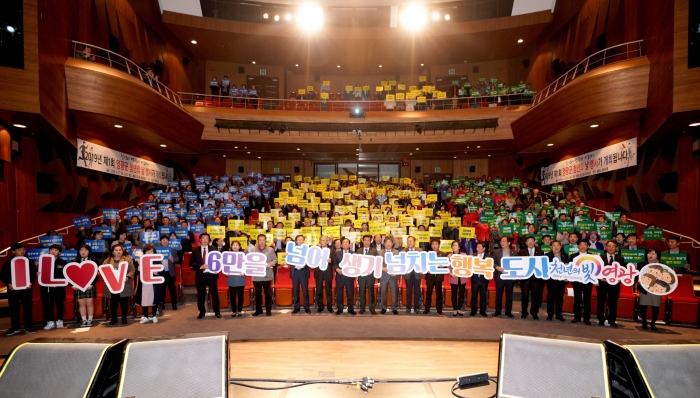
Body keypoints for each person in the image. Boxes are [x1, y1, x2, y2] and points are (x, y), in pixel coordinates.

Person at [1, 243, 38, 335]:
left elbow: (33, 273)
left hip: (26, 289)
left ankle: (28, 327)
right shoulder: (8, 262)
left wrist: (30, 282)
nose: (22, 251)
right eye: (19, 250)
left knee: (27, 308)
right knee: (14, 309)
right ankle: (15, 327)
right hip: (13, 289)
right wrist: (8, 283)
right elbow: (2, 275)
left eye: (23, 249)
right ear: (13, 252)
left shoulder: (29, 261)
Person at [189, 233, 221, 319]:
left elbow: (219, 261)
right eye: (203, 238)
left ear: (209, 240)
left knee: (214, 294)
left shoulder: (214, 249)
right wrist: (200, 266)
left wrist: (216, 270)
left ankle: (217, 312)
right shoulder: (195, 250)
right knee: (200, 295)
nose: (205, 240)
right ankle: (201, 312)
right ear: (200, 240)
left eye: (207, 238)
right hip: (200, 276)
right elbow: (191, 263)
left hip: (211, 276)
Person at [103, 243, 135, 325]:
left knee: (124, 302)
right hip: (112, 286)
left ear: (122, 251)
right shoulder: (107, 260)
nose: (118, 252)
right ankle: (114, 318)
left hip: (124, 285)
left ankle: (124, 317)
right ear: (113, 252)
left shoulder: (127, 259)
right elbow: (103, 271)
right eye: (116, 250)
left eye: (120, 250)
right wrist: (106, 279)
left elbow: (132, 270)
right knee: (113, 303)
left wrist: (127, 277)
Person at [598, 240, 624, 327]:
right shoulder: (600, 257)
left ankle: (612, 320)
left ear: (616, 248)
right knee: (601, 301)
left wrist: (619, 279)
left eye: (613, 246)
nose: (611, 248)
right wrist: (600, 278)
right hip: (602, 283)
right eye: (609, 246)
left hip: (615, 285)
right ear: (605, 247)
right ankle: (601, 319)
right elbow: (596, 270)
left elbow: (623, 272)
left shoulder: (620, 259)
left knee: (613, 302)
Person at [517, 236, 544, 319]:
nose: (530, 242)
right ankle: (524, 312)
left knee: (535, 296)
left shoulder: (540, 252)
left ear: (534, 242)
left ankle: (534, 312)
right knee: (524, 296)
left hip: (536, 278)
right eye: (528, 241)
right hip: (525, 278)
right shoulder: (522, 252)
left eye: (532, 241)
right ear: (526, 243)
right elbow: (519, 264)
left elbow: (542, 265)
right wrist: (519, 275)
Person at [41, 244, 67, 330]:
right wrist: (38, 274)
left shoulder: (62, 263)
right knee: (48, 305)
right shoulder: (43, 262)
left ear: (59, 253)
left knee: (60, 304)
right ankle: (50, 321)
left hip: (59, 288)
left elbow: (65, 276)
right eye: (51, 250)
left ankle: (60, 320)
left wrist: (58, 284)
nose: (53, 252)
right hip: (47, 288)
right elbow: (41, 275)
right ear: (49, 251)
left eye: (56, 250)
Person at [135, 245, 163, 323]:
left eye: (151, 251)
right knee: (144, 299)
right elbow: (138, 271)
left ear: (154, 252)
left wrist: (157, 272)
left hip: (154, 282)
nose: (149, 253)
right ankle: (146, 316)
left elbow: (161, 270)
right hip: (144, 282)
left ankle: (154, 316)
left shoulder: (157, 260)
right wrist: (139, 263)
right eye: (147, 251)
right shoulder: (141, 260)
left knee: (154, 298)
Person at [250, 234, 276, 316]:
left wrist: (270, 263)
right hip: (256, 276)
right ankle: (259, 310)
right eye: (260, 240)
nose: (261, 241)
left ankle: (268, 310)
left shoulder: (270, 249)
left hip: (266, 275)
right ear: (258, 241)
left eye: (263, 240)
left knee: (267, 294)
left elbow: (275, 259)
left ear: (265, 241)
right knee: (258, 294)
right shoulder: (254, 250)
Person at [73, 244, 97, 326]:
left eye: (85, 250)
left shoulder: (94, 261)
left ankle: (90, 319)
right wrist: (72, 285)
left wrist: (92, 284)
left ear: (89, 251)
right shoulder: (75, 262)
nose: (83, 252)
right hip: (78, 286)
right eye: (81, 250)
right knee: (81, 303)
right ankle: (83, 320)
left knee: (89, 303)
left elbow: (95, 275)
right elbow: (71, 275)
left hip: (89, 285)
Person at [638, 248, 662, 331]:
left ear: (657, 256)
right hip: (644, 288)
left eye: (653, 253)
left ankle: (653, 323)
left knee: (655, 306)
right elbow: (637, 275)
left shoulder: (662, 265)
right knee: (643, 306)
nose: (650, 255)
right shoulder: (642, 263)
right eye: (649, 253)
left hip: (657, 289)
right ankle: (644, 321)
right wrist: (638, 279)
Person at [545, 241, 570, 321]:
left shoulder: (565, 255)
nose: (556, 247)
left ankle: (559, 314)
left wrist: (566, 277)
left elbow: (568, 268)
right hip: (551, 281)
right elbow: (545, 269)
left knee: (560, 298)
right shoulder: (547, 256)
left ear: (560, 246)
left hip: (561, 281)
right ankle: (550, 314)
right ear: (551, 247)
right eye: (554, 245)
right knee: (550, 298)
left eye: (558, 245)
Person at [570, 240, 593, 325]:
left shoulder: (592, 256)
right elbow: (570, 268)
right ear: (578, 246)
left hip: (588, 281)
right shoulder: (573, 256)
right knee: (577, 299)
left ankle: (587, 318)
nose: (583, 247)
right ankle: (577, 316)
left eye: (585, 245)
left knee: (587, 300)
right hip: (577, 281)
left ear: (588, 246)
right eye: (581, 245)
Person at [492, 236, 514, 318]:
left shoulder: (514, 253)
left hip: (510, 276)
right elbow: (492, 262)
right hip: (500, 276)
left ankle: (508, 311)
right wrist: (497, 267)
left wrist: (516, 275)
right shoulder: (496, 252)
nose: (502, 243)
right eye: (501, 241)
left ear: (509, 243)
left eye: (504, 241)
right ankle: (498, 311)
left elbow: (518, 264)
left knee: (509, 295)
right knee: (499, 294)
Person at [333, 238, 356, 315]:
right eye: (344, 243)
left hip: (349, 277)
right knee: (339, 293)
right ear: (341, 245)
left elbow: (356, 265)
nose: (345, 244)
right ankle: (340, 309)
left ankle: (351, 309)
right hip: (340, 276)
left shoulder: (354, 254)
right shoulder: (337, 253)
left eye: (347, 243)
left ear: (350, 245)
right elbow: (334, 264)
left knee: (350, 293)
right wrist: (337, 269)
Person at [356, 235, 378, 315]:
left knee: (371, 291)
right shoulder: (358, 251)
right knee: (362, 292)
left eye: (368, 240)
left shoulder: (374, 251)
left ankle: (372, 308)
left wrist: (372, 271)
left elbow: (377, 262)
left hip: (370, 275)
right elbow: (356, 262)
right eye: (365, 240)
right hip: (361, 275)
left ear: (370, 241)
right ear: (363, 241)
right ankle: (362, 308)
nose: (367, 242)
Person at [424, 238, 446, 315]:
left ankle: (439, 309)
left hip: (439, 276)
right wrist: (427, 269)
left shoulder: (443, 254)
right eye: (433, 244)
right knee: (428, 293)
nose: (434, 246)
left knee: (439, 293)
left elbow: (447, 265)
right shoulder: (427, 254)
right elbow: (424, 264)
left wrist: (443, 266)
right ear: (431, 245)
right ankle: (426, 309)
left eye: (436, 244)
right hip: (430, 276)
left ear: (439, 245)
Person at [378, 236, 399, 315]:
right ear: (384, 244)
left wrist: (396, 272)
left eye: (390, 242)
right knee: (383, 292)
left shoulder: (396, 252)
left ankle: (394, 308)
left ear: (392, 244)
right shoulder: (380, 252)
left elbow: (398, 263)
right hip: (383, 275)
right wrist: (381, 268)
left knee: (394, 292)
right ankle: (383, 307)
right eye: (386, 242)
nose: (388, 244)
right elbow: (377, 263)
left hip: (393, 275)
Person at [290, 235, 311, 314]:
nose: (301, 241)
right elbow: (289, 261)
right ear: (296, 241)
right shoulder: (291, 250)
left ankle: (306, 307)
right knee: (295, 290)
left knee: (305, 290)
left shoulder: (307, 250)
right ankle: (296, 307)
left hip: (303, 271)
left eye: (302, 240)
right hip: (295, 272)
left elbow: (310, 260)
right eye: (299, 240)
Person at [158, 235, 179, 310]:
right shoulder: (156, 250)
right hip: (160, 273)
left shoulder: (172, 250)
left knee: (172, 289)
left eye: (166, 240)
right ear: (160, 242)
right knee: (161, 289)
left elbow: (177, 259)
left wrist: (173, 259)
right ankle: (162, 303)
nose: (165, 241)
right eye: (163, 240)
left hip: (170, 272)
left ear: (168, 242)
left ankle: (174, 304)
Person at [226, 240, 247, 317]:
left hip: (240, 277)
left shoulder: (243, 255)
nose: (235, 246)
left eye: (236, 245)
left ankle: (240, 310)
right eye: (233, 245)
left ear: (239, 247)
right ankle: (234, 311)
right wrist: (226, 272)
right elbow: (225, 266)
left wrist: (244, 272)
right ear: (231, 247)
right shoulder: (228, 255)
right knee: (232, 295)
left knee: (241, 295)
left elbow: (246, 265)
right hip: (231, 277)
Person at [403, 236, 423, 314]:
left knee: (417, 292)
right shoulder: (403, 251)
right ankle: (408, 308)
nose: (409, 243)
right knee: (409, 292)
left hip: (417, 274)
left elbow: (423, 262)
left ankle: (416, 308)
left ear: (415, 242)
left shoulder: (420, 251)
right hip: (408, 274)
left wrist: (423, 269)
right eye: (408, 241)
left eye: (411, 241)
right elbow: (402, 263)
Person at [470, 241, 490, 317]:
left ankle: (482, 311)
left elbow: (490, 268)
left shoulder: (488, 257)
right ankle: (473, 310)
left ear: (484, 248)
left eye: (479, 247)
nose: (477, 249)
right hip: (475, 279)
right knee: (474, 295)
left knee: (483, 296)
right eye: (477, 247)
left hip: (484, 280)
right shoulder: (473, 256)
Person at [315, 235, 334, 313]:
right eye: (321, 240)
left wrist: (331, 260)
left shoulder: (332, 250)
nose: (322, 242)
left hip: (327, 272)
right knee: (319, 290)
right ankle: (320, 306)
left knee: (328, 290)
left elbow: (335, 261)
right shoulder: (316, 250)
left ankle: (329, 307)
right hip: (319, 272)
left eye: (324, 240)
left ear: (327, 241)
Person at [448, 240, 468, 317]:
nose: (454, 247)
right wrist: (450, 273)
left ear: (459, 247)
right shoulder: (449, 256)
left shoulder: (464, 255)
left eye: (456, 245)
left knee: (461, 294)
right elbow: (448, 267)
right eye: (453, 245)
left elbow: (467, 266)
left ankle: (459, 309)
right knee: (453, 294)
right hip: (453, 277)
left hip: (462, 277)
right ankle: (455, 309)